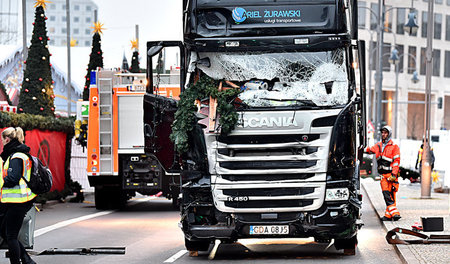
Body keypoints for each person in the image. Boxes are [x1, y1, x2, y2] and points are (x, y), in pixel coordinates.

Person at [0, 127, 37, 264]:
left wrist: (2, 180)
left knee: (11, 236)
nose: (2, 142)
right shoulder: (18, 154)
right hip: (15, 201)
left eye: (2, 139)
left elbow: (13, 178)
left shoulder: (16, 157)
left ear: (7, 139)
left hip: (18, 201)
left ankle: (20, 261)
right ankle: (27, 259)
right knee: (5, 231)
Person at [365, 125, 401, 221]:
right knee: (386, 194)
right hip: (383, 176)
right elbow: (368, 150)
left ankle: (390, 214)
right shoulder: (378, 146)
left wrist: (394, 174)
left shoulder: (394, 147)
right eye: (382, 132)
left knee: (391, 195)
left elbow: (396, 162)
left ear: (389, 134)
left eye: (385, 133)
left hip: (391, 174)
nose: (383, 134)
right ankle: (394, 213)